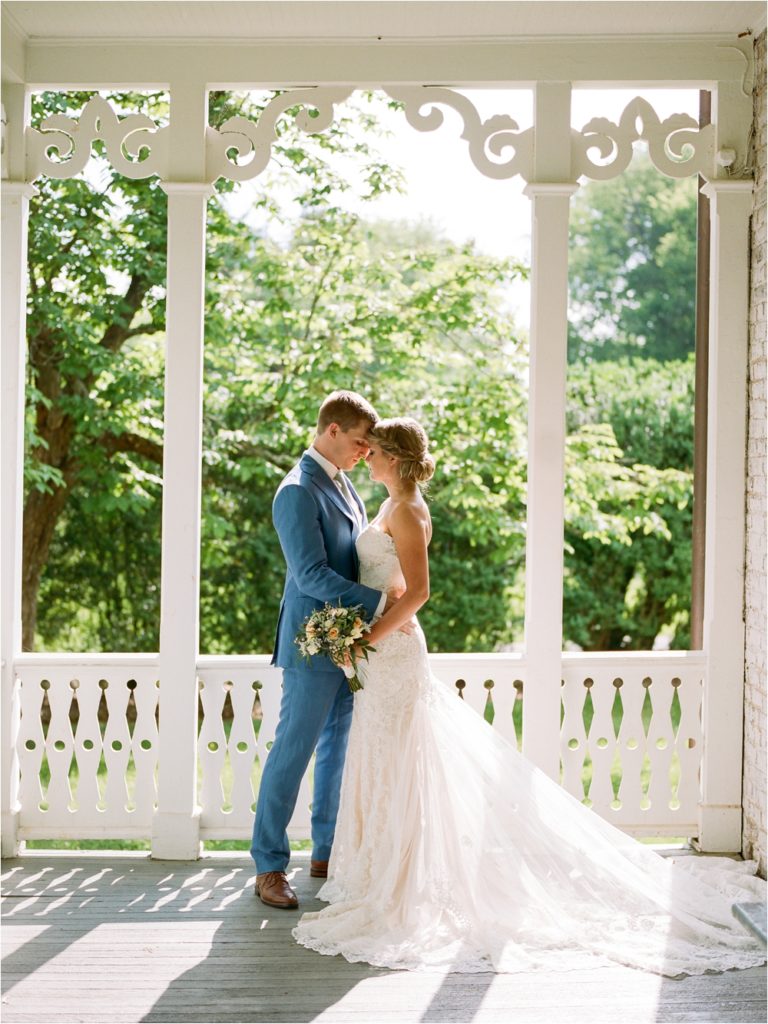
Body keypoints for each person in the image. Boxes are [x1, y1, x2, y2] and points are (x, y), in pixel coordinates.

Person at [293, 416, 766, 977]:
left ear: (393, 458)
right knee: (380, 760)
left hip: (393, 653)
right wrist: (357, 639)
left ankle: (397, 886)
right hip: (378, 657)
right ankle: (376, 876)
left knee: (398, 764)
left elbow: (419, 592)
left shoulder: (407, 510)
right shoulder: (393, 503)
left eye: (373, 453)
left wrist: (363, 638)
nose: (365, 458)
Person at [252, 391, 402, 910]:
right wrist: (383, 603)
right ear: (332, 430)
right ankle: (269, 864)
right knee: (293, 751)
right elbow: (311, 573)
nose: (366, 452)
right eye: (360, 442)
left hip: (349, 641)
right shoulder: (296, 490)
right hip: (313, 640)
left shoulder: (344, 484)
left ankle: (326, 851)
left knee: (340, 750)